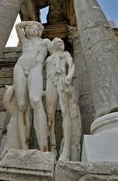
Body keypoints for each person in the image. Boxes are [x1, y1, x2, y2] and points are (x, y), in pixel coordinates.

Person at [13, 21, 51, 151]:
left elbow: (56, 49)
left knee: (36, 100)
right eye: (29, 28)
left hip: (36, 67)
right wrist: (31, 22)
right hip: (20, 66)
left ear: (39, 30)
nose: (31, 29)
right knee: (21, 105)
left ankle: (44, 148)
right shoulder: (25, 41)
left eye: (35, 27)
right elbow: (18, 26)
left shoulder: (45, 42)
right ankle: (24, 148)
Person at [45, 37, 75, 160]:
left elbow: (71, 65)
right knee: (50, 114)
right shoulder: (49, 58)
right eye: (58, 42)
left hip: (61, 79)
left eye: (62, 42)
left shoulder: (65, 54)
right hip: (50, 82)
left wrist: (69, 75)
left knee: (65, 111)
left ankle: (66, 149)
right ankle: (52, 147)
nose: (61, 44)